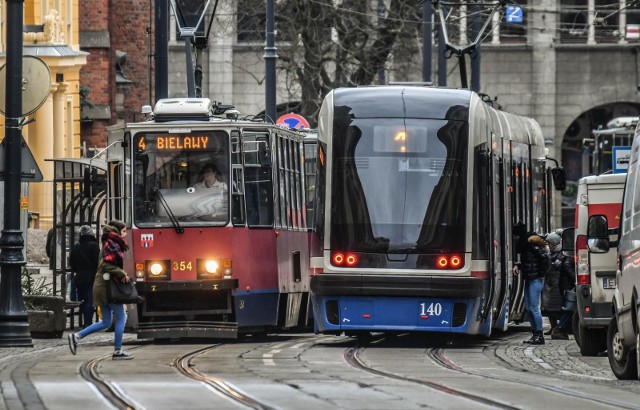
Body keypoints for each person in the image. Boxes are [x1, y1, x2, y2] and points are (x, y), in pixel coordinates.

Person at [68, 220, 134, 360]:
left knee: (106, 322)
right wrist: (122, 274)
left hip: (102, 286)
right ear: (116, 231)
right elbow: (106, 265)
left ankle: (76, 336)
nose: (125, 234)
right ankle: (117, 351)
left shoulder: (108, 242)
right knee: (122, 316)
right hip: (107, 288)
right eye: (123, 231)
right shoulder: (112, 243)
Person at [514, 222, 550, 345]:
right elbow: (531, 260)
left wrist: (540, 273)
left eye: (516, 236)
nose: (515, 239)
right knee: (529, 308)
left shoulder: (531, 244)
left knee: (534, 308)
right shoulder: (527, 245)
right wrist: (519, 265)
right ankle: (535, 333)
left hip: (535, 278)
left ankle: (539, 335)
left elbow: (545, 259)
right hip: (529, 278)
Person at [544, 232, 575, 340]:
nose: (549, 246)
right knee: (567, 308)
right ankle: (558, 328)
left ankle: (558, 328)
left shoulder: (563, 253)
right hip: (562, 285)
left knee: (567, 308)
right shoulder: (562, 253)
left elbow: (565, 266)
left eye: (550, 244)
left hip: (562, 285)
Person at [69, 225, 100, 328]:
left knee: (82, 300)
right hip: (91, 277)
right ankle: (88, 322)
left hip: (79, 277)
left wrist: (78, 271)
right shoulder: (94, 246)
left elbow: (72, 263)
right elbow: (97, 263)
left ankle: (83, 320)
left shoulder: (76, 247)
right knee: (89, 299)